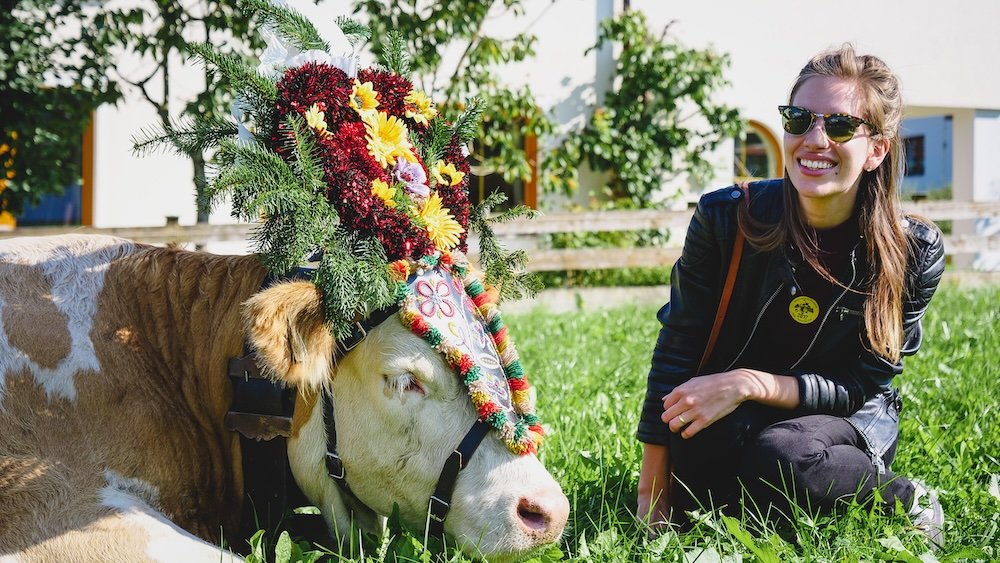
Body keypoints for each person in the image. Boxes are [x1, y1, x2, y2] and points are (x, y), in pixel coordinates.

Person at [635, 44, 946, 545]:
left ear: (877, 150)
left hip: (843, 417)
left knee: (783, 457)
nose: (814, 139)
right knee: (695, 450)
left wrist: (750, 383)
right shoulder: (724, 219)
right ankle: (787, 497)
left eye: (840, 126)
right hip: (739, 408)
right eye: (799, 119)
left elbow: (861, 384)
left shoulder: (915, 252)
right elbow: (679, 343)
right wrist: (653, 491)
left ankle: (906, 498)